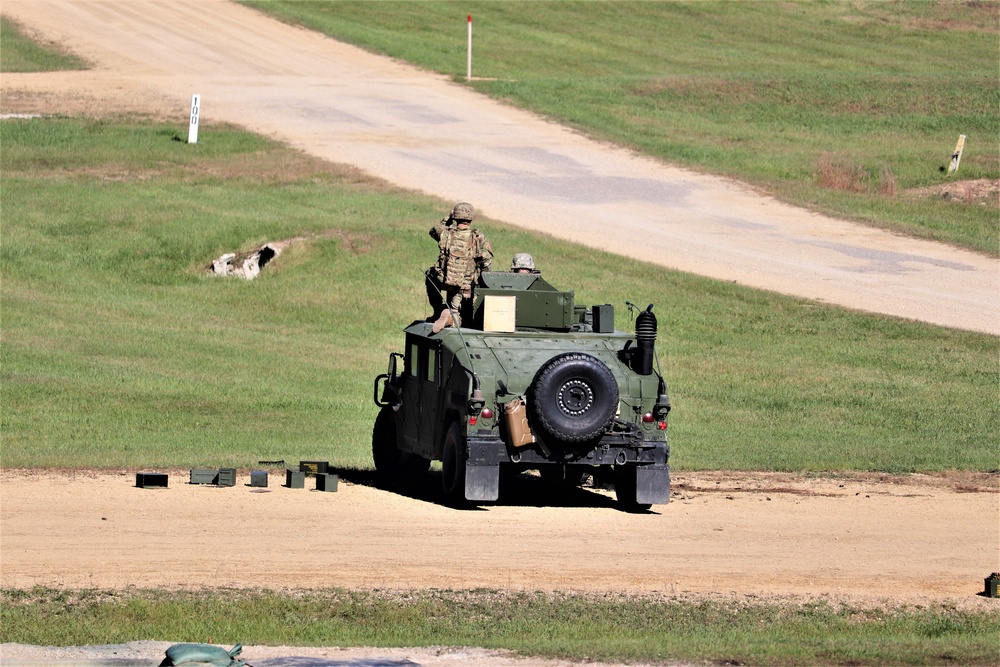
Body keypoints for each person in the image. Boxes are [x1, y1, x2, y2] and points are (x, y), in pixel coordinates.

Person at [426, 202, 493, 332]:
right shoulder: (478, 238)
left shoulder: (445, 234)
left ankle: (439, 310)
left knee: (430, 274)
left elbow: (433, 230)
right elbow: (486, 263)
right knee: (459, 312)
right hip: (465, 286)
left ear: (455, 217)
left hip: (443, 281)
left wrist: (448, 217)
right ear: (471, 218)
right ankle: (453, 317)